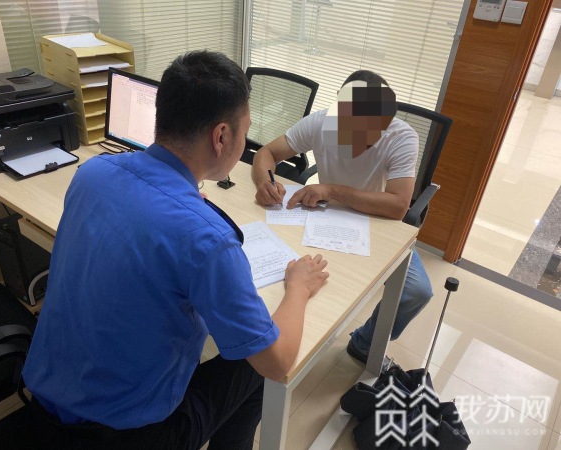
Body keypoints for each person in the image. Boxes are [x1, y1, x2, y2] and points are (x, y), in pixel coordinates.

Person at [22, 50, 329, 450]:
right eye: (245, 131)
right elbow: (278, 361)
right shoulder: (209, 240)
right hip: (127, 438)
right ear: (222, 136)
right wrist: (299, 288)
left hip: (44, 406)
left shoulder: (92, 174)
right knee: (255, 367)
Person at [252, 70, 433, 367]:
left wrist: (333, 189)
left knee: (416, 291)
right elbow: (267, 153)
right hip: (322, 218)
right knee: (285, 273)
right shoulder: (321, 123)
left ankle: (364, 343)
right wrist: (265, 182)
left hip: (375, 222)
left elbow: (399, 206)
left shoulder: (402, 137)